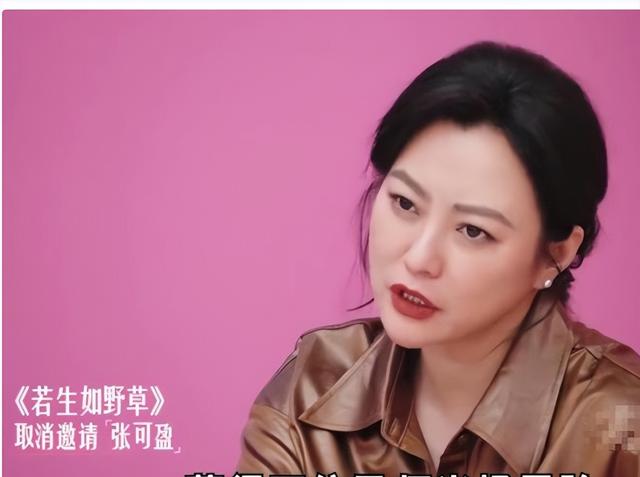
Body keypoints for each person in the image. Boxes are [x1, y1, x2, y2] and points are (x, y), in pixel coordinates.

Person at [235, 40, 640, 476]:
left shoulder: (622, 425)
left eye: (473, 231)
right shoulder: (312, 390)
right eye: (405, 203)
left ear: (554, 255)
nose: (419, 258)